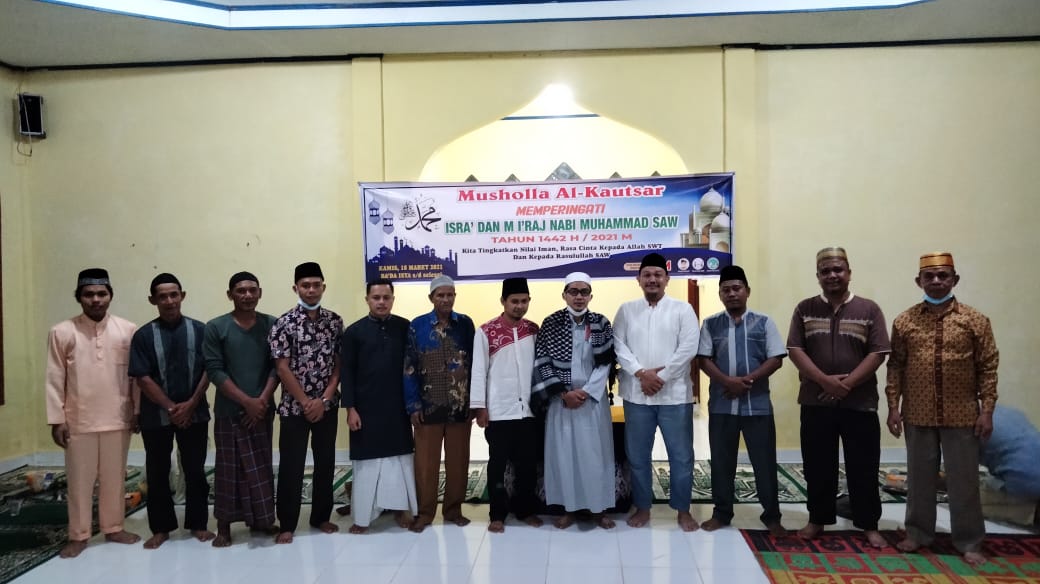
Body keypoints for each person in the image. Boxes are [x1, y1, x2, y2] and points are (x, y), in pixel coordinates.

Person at [885, 252, 998, 565]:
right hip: (918, 412)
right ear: (918, 281)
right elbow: (895, 366)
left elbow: (988, 367)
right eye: (929, 276)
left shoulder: (975, 320)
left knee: (964, 481)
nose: (936, 281)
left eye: (943, 275)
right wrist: (893, 406)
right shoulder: (905, 321)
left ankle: (970, 541)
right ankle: (918, 533)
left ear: (954, 279)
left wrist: (987, 410)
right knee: (919, 478)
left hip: (962, 413)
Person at [787, 246, 890, 548]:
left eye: (838, 270)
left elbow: (878, 352)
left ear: (849, 273)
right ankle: (817, 519)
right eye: (825, 271)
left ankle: (868, 523)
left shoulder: (869, 310)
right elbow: (795, 350)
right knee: (818, 465)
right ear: (818, 276)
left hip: (860, 403)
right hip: (816, 401)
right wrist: (825, 382)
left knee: (864, 466)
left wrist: (847, 384)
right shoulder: (805, 309)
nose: (832, 275)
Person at [44, 268, 140, 558]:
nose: (96, 299)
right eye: (89, 294)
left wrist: (137, 411)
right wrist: (57, 419)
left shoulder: (128, 330)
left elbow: (136, 377)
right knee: (79, 481)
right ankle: (79, 534)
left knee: (114, 478)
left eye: (101, 293)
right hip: (78, 420)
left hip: (118, 417)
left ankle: (114, 527)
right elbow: (54, 377)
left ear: (110, 296)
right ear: (79, 297)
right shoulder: (62, 332)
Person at [696, 265, 787, 536]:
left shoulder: (764, 322)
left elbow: (776, 358)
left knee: (764, 462)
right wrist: (728, 382)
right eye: (726, 290)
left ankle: (772, 516)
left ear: (747, 291)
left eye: (737, 288)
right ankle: (722, 513)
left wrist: (745, 381)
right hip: (722, 404)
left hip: (757, 405)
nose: (732, 294)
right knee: (721, 462)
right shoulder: (710, 324)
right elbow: (703, 359)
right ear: (720, 295)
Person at [613, 253, 700, 531]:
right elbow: (618, 346)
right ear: (638, 280)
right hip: (637, 395)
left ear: (667, 279)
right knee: (638, 455)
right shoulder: (626, 310)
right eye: (647, 275)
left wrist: (659, 377)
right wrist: (641, 373)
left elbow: (688, 348)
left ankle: (683, 510)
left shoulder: (683, 309)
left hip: (675, 396)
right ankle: (643, 507)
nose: (652, 279)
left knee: (681, 456)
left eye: (657, 275)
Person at [128, 273, 214, 549]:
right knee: (157, 471)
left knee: (195, 470)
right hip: (156, 416)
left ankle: (198, 524)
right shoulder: (143, 336)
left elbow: (210, 369)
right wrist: (170, 406)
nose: (169, 301)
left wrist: (191, 404)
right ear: (152, 300)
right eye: (162, 296)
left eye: (173, 294)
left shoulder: (200, 331)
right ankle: (161, 528)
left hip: (195, 413)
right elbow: (142, 377)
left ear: (182, 296)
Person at [533, 272, 616, 530]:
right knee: (564, 456)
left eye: (584, 292)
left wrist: (587, 392)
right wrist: (563, 393)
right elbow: (542, 361)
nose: (578, 297)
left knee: (595, 456)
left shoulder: (601, 323)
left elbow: (606, 362)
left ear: (591, 295)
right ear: (564, 295)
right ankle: (568, 508)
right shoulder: (551, 323)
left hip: (592, 401)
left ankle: (598, 509)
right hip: (562, 401)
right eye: (573, 291)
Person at [203, 271, 280, 547]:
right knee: (228, 470)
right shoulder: (216, 327)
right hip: (229, 411)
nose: (247, 295)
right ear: (230, 294)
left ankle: (262, 520)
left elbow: (277, 367)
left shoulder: (272, 324)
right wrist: (247, 402)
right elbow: (215, 370)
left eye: (252, 290)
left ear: (260, 293)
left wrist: (261, 401)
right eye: (240, 290)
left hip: (262, 410)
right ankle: (224, 526)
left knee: (260, 467)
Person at [269, 261, 343, 544]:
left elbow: (338, 365)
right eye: (305, 285)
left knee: (326, 462)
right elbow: (282, 367)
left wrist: (324, 398)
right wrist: (305, 402)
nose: (311, 290)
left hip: (327, 406)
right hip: (293, 408)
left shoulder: (334, 322)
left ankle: (321, 516)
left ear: (323, 287)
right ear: (296, 288)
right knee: (292, 465)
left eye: (316, 285)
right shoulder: (283, 323)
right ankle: (287, 523)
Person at [341, 279, 418, 534]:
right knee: (367, 463)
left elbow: (413, 367)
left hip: (397, 406)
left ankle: (400, 509)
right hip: (365, 408)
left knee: (399, 459)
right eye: (376, 298)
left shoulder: (405, 327)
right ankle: (363, 515)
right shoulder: (354, 332)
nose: (381, 302)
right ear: (367, 300)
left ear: (393, 299)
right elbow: (347, 373)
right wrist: (350, 408)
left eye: (386, 297)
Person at [471, 277, 543, 533]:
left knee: (527, 464)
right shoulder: (485, 331)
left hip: (529, 412)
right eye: (514, 301)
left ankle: (525, 510)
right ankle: (497, 514)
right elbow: (478, 371)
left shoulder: (533, 330)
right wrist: (480, 407)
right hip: (499, 411)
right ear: (503, 301)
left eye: (524, 301)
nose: (519, 306)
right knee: (498, 465)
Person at [404, 275, 476, 532]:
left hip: (459, 406)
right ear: (431, 298)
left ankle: (453, 510)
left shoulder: (465, 324)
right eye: (440, 295)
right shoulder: (418, 326)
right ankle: (425, 513)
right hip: (428, 407)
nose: (446, 299)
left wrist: (475, 402)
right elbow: (409, 367)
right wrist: (413, 405)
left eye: (450, 295)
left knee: (458, 462)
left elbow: (475, 364)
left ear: (455, 296)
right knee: (425, 464)